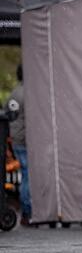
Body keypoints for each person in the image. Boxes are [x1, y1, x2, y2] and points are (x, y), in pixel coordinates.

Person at [7, 65, 30, 226]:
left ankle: (26, 211)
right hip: (25, 140)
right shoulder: (28, 94)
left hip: (16, 139)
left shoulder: (14, 94)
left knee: (24, 175)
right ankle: (28, 212)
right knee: (28, 176)